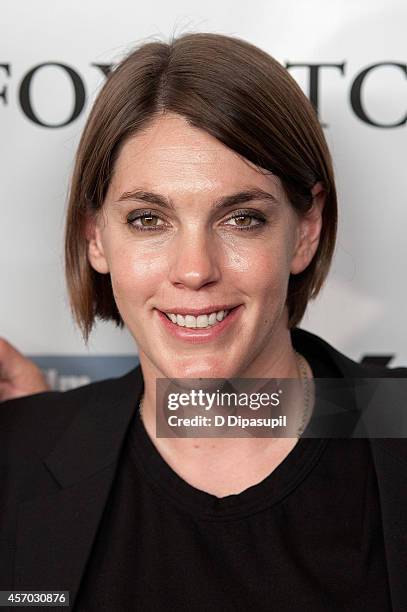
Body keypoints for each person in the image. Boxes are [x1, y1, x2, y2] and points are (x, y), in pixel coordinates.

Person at [1, 32, 406, 611]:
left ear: (306, 230)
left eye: (242, 219)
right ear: (96, 236)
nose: (194, 271)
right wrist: (34, 446)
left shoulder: (390, 422)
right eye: (148, 219)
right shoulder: (20, 460)